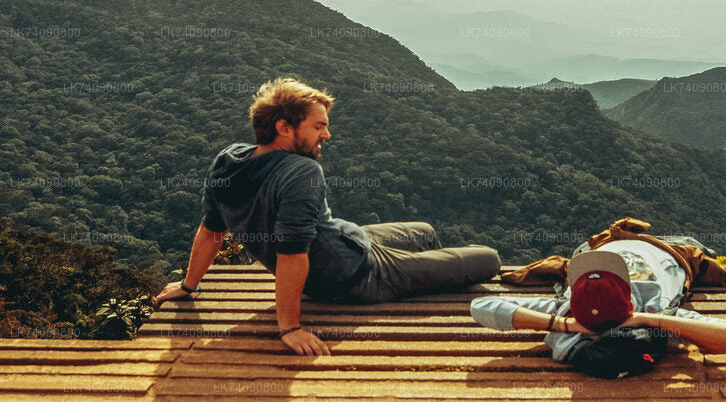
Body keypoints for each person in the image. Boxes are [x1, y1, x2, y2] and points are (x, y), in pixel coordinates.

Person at [153, 77, 501, 356]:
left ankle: (427, 272)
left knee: (423, 231)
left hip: (348, 240)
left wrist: (188, 285)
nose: (327, 135)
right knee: (488, 259)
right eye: (318, 126)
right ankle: (421, 276)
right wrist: (290, 328)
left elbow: (211, 229)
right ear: (284, 127)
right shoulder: (300, 172)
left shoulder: (229, 160)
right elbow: (291, 254)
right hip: (357, 275)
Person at [470, 236, 726, 363]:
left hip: (598, 245)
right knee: (700, 246)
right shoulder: (654, 306)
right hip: (669, 247)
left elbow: (480, 306)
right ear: (630, 301)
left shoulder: (564, 309)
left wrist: (564, 324)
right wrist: (646, 318)